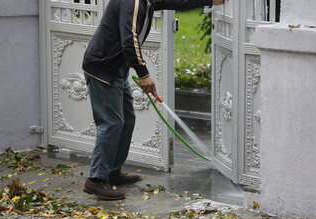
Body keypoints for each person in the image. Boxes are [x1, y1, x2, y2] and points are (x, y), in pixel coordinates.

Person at [82, 0, 225, 200]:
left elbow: (178, 2)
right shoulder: (133, 2)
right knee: (111, 123)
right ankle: (96, 180)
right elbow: (129, 40)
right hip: (103, 70)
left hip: (116, 69)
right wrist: (143, 74)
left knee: (127, 120)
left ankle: (111, 172)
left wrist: (208, 1)